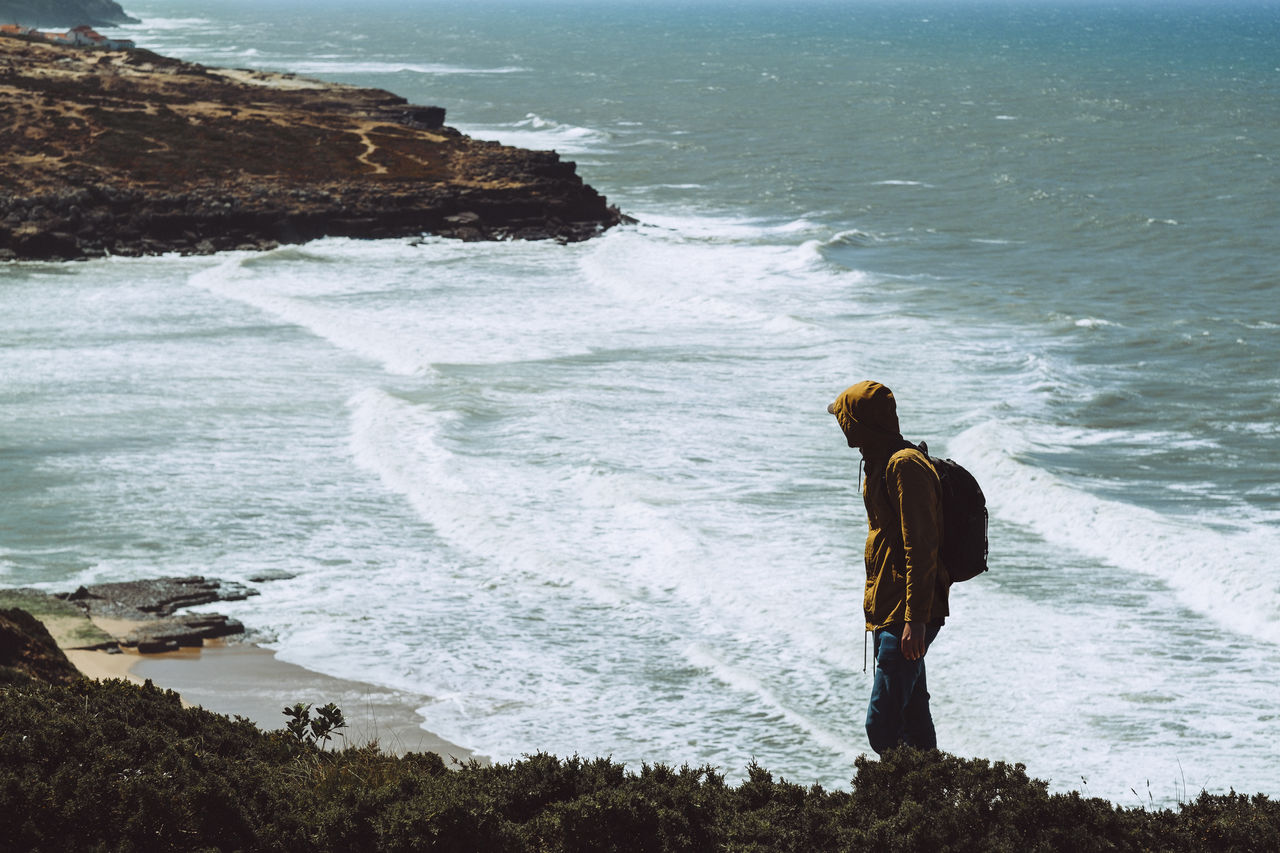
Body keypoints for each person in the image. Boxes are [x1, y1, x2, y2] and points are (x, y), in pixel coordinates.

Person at [828, 380, 949, 754]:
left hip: (907, 614)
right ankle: (932, 806)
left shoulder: (903, 466)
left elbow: (921, 547)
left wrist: (914, 619)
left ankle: (903, 803)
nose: (841, 426)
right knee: (913, 719)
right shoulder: (880, 460)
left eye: (845, 419)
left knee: (881, 725)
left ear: (859, 423)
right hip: (891, 610)